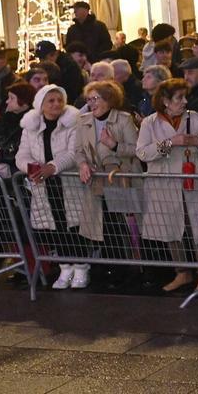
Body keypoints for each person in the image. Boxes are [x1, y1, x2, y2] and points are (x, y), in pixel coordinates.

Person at [135, 78, 198, 293]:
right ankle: (182, 272)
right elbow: (142, 152)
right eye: (179, 98)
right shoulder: (149, 123)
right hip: (163, 182)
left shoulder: (195, 117)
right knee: (170, 226)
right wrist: (170, 143)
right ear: (165, 101)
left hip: (193, 179)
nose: (184, 102)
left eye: (185, 97)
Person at [16, 85, 87, 289]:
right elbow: (21, 155)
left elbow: (74, 152)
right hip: (42, 185)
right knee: (53, 228)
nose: (56, 104)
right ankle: (65, 268)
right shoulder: (30, 127)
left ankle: (81, 268)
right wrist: (31, 169)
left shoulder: (73, 123)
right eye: (51, 100)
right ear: (41, 105)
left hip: (68, 183)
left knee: (74, 226)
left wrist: (52, 167)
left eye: (59, 99)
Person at [71, 81, 141, 286]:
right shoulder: (83, 121)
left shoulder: (124, 119)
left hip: (120, 179)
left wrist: (114, 145)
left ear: (109, 99)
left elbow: (137, 150)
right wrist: (82, 164)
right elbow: (78, 150)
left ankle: (131, 269)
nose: (91, 104)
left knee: (124, 226)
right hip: (96, 182)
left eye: (95, 99)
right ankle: (112, 267)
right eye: (89, 99)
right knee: (105, 226)